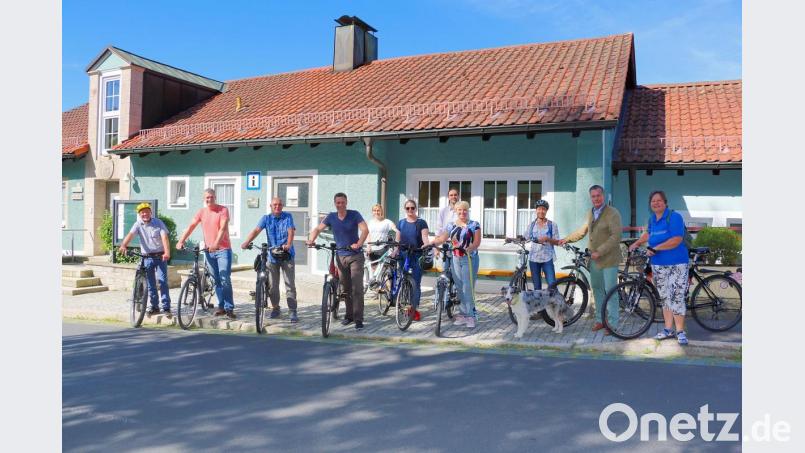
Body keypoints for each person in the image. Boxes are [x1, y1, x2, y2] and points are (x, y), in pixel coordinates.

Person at [628, 191, 690, 345]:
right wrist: (636, 243)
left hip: (677, 264)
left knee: (677, 297)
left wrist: (656, 248)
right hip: (658, 265)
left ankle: (680, 331)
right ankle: (668, 329)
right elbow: (648, 235)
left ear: (665, 202)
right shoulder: (652, 219)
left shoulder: (674, 217)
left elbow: (676, 239)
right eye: (653, 201)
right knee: (664, 297)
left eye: (659, 200)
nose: (656, 203)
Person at [560, 185, 622, 335]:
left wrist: (600, 251)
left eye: (598, 195)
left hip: (609, 259)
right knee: (598, 291)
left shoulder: (613, 213)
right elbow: (583, 231)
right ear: (590, 198)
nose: (596, 198)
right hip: (594, 261)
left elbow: (616, 236)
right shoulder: (591, 213)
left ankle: (613, 323)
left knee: (610, 291)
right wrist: (566, 239)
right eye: (593, 196)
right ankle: (600, 320)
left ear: (604, 195)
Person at [307, 193, 370, 329]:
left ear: (346, 202)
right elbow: (318, 228)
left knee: (357, 288)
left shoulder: (355, 215)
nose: (340, 204)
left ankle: (358, 319)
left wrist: (359, 243)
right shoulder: (331, 216)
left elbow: (365, 230)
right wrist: (311, 239)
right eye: (338, 202)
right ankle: (349, 316)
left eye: (342, 202)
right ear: (335, 203)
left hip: (355, 256)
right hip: (340, 256)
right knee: (345, 288)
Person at [177, 188, 236, 319]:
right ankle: (221, 306)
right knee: (216, 280)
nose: (209, 199)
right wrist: (181, 240)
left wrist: (216, 243)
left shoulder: (223, 210)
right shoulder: (202, 212)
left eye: (211, 197)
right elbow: (191, 226)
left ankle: (229, 308)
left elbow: (223, 228)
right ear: (204, 199)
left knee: (224, 278)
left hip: (223, 250)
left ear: (215, 197)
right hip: (209, 251)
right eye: (206, 198)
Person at [241, 196, 299, 323]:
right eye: (274, 205)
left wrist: (288, 244)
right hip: (272, 256)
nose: (277, 207)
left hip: (287, 255)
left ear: (282, 206)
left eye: (279, 205)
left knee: (289, 284)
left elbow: (291, 232)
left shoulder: (287, 216)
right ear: (271, 206)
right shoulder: (266, 218)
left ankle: (293, 311)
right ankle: (276, 308)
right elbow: (256, 230)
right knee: (273, 286)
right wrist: (246, 242)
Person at [431, 201, 482, 328]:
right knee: (459, 286)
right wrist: (431, 243)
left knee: (467, 287)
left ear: (467, 211)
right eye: (459, 210)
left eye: (464, 210)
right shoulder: (451, 225)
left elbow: (477, 242)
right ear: (456, 211)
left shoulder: (474, 225)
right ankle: (463, 314)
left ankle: (470, 316)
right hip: (455, 259)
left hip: (469, 259)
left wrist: (469, 248)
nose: (462, 212)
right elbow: (442, 239)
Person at [118, 202, 172, 317]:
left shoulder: (158, 222)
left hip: (160, 256)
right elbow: (130, 235)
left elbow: (164, 237)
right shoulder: (138, 224)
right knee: (151, 284)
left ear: (150, 212)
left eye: (147, 212)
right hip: (147, 257)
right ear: (139, 214)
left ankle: (166, 307)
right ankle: (155, 307)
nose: (145, 214)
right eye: (142, 212)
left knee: (162, 282)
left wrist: (167, 252)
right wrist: (123, 245)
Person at [395, 199, 430, 321]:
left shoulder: (421, 223)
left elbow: (425, 237)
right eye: (407, 208)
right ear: (405, 209)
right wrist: (395, 250)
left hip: (416, 254)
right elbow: (397, 240)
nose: (410, 210)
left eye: (412, 208)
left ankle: (414, 308)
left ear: (416, 209)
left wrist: (426, 244)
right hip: (404, 255)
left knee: (415, 282)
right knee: (404, 280)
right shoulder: (401, 223)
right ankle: (403, 304)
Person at [527, 199, 561, 291]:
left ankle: (554, 305)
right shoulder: (531, 225)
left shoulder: (552, 225)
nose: (541, 211)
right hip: (534, 259)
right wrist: (512, 239)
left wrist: (547, 239)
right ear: (536, 210)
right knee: (537, 288)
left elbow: (558, 242)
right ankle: (540, 305)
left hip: (547, 259)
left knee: (552, 286)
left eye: (543, 209)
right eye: (539, 209)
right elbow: (525, 238)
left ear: (546, 211)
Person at [367, 203, 399, 273]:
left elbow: (397, 231)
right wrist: (368, 247)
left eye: (378, 210)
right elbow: (369, 234)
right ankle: (376, 284)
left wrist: (396, 245)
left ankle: (386, 284)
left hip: (383, 249)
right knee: (374, 272)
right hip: (372, 250)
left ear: (381, 211)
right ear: (372, 212)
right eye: (374, 210)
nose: (376, 212)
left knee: (385, 272)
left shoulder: (387, 222)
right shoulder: (370, 222)